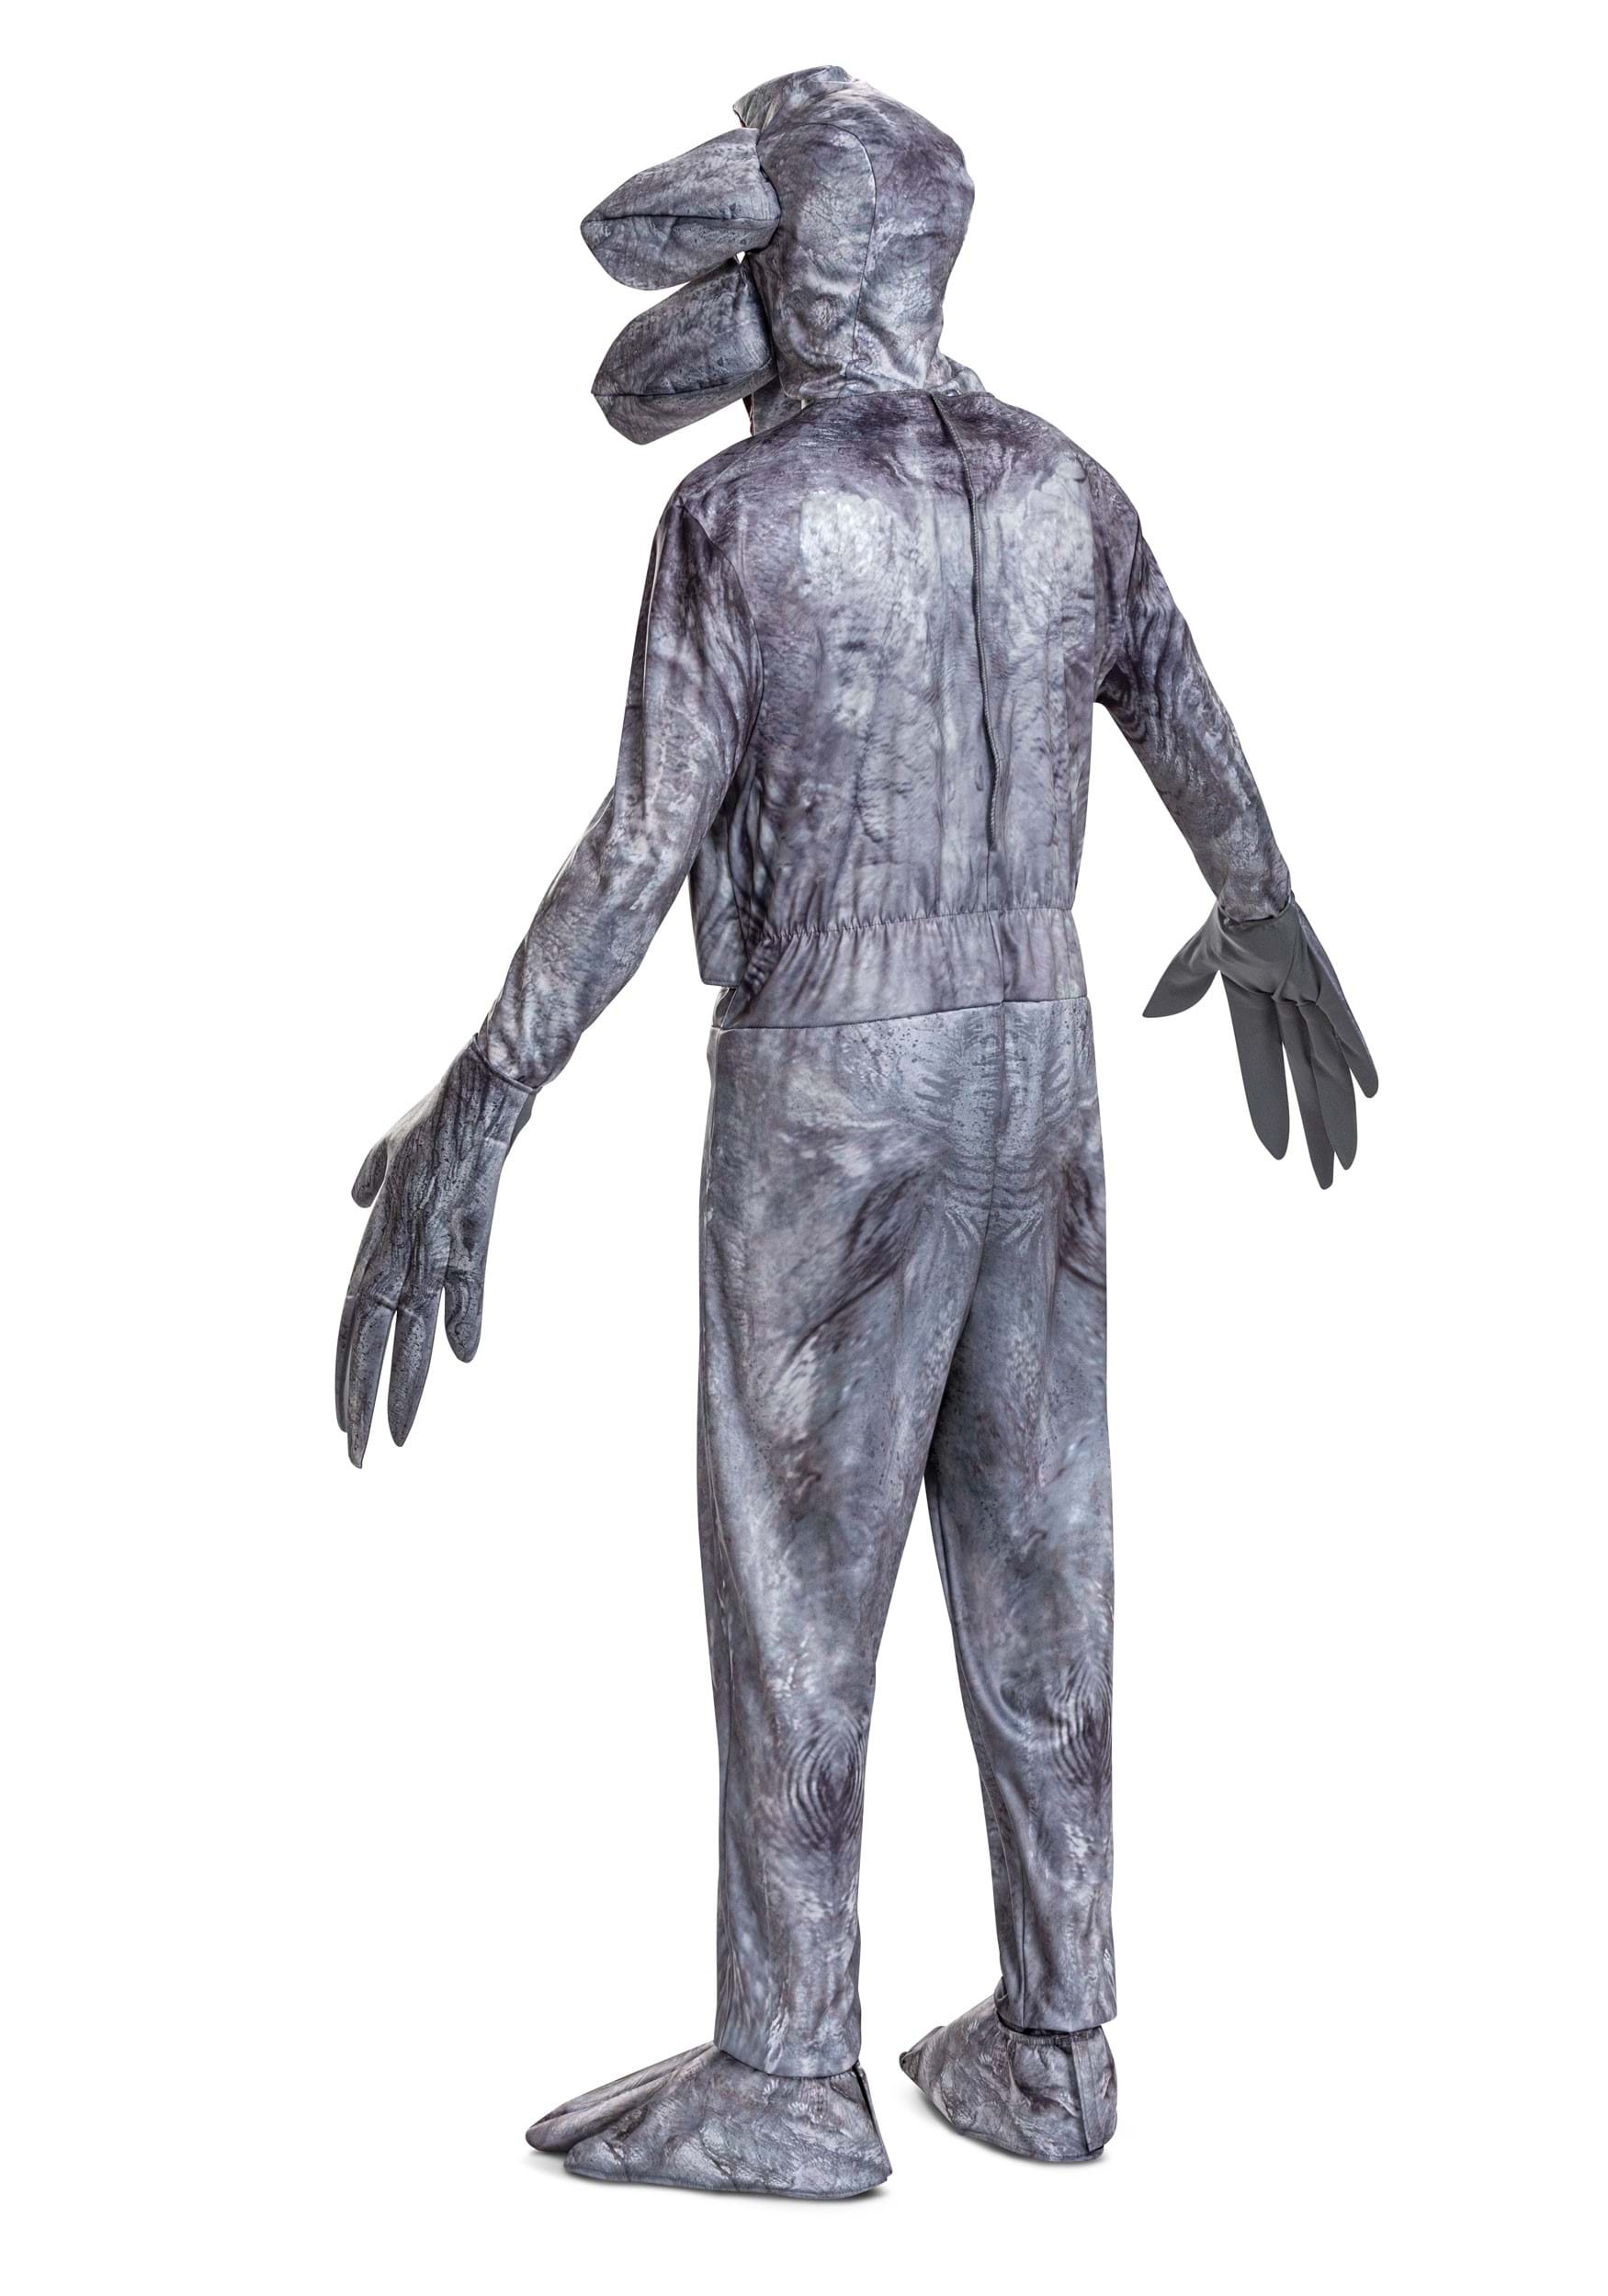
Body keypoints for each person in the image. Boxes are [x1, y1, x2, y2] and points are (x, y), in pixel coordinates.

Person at [334, 64, 1374, 2199]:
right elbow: (1185, 715)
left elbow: (642, 847)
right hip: (1034, 1067)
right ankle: (1055, 2037)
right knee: (1039, 1546)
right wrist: (1260, 905)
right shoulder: (1065, 483)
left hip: (831, 1070)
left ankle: (793, 2068)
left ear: (795, 260)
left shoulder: (740, 519)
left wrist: (485, 1095)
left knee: (798, 1577)